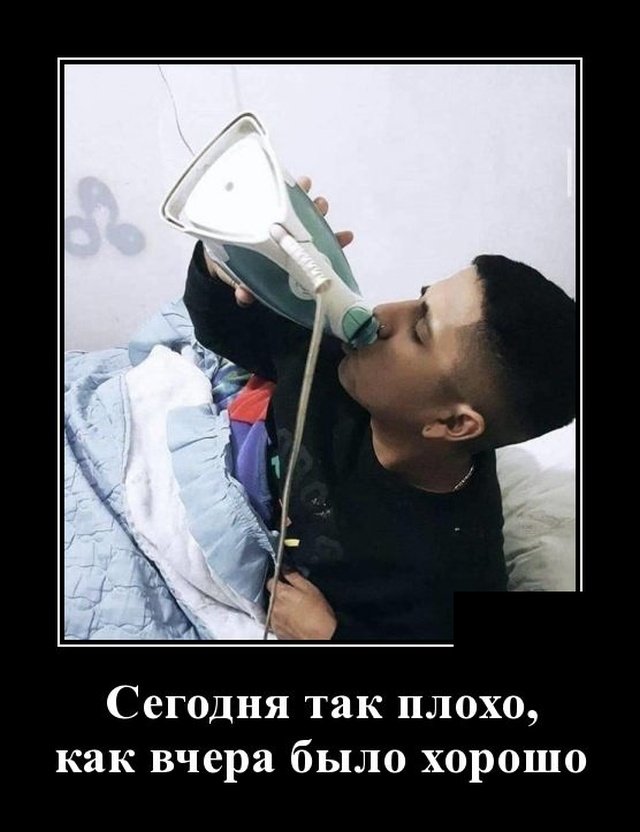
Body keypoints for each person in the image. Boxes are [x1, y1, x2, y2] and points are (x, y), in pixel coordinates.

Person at [183, 177, 576, 642]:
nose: (384, 313)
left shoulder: (451, 567)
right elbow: (225, 329)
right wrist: (228, 264)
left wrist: (331, 634)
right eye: (420, 297)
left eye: (420, 331)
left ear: (452, 422)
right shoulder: (336, 360)